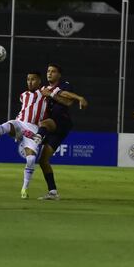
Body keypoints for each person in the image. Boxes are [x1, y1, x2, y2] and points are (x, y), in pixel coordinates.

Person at [0, 71, 49, 199]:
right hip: (20, 123)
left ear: (39, 81)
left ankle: (24, 189)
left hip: (33, 129)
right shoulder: (23, 95)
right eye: (28, 79)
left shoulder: (44, 92)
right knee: (9, 125)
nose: (30, 82)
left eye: (33, 79)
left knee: (31, 159)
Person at [32, 63, 88, 200]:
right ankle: (53, 192)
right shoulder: (44, 88)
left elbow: (68, 102)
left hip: (61, 122)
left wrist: (52, 95)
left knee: (45, 123)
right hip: (52, 128)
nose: (49, 73)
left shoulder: (64, 85)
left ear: (59, 74)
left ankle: (38, 137)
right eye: (48, 71)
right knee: (43, 160)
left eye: (53, 71)